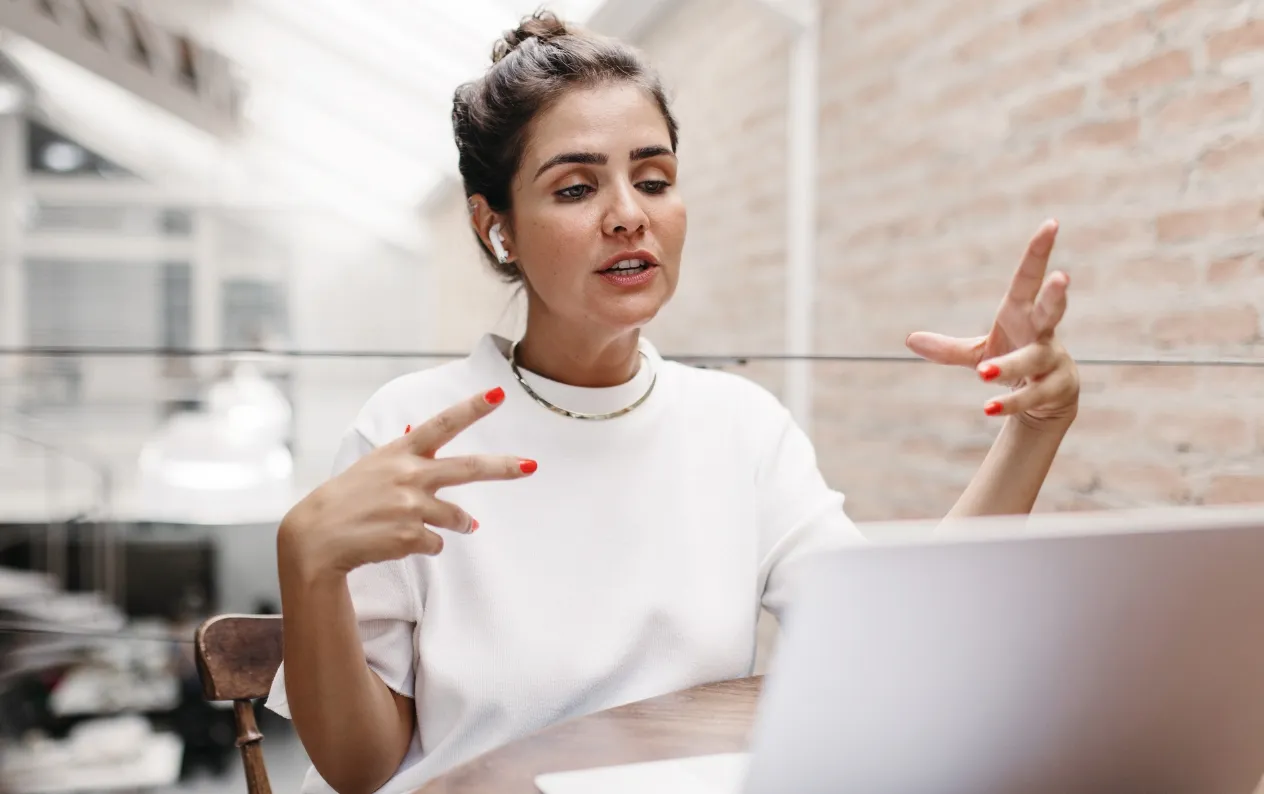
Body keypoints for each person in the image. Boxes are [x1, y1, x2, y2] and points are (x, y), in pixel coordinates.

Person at [265, 10, 1081, 794]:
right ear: (496, 228)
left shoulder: (741, 428)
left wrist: (1031, 432)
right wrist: (307, 564)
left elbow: (892, 640)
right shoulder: (409, 434)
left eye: (653, 179)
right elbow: (362, 768)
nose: (629, 215)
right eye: (577, 188)